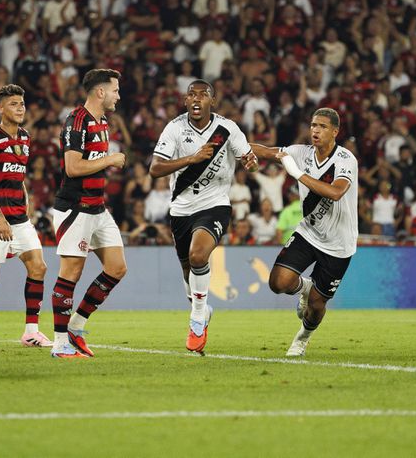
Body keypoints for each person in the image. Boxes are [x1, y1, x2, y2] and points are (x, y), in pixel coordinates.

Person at [149, 79, 258, 353]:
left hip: (215, 204)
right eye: (191, 95)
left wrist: (251, 162)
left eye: (203, 95)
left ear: (213, 101)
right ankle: (202, 307)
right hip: (181, 209)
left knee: (199, 256)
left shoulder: (227, 128)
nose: (196, 99)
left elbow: (248, 159)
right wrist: (191, 159)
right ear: (185, 101)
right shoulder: (174, 128)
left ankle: (197, 319)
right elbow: (155, 169)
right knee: (188, 270)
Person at [251, 108, 358, 357]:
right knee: (278, 282)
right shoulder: (300, 153)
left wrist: (298, 174)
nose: (315, 131)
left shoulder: (345, 159)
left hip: (338, 244)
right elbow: (266, 151)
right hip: (309, 233)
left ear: (335, 131)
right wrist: (234, 143)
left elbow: (336, 192)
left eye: (321, 126)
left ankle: (302, 337)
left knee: (317, 306)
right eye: (312, 125)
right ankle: (304, 287)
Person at [49, 69, 128, 358]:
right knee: (71, 272)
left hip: (98, 207)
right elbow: (73, 167)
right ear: (100, 92)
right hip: (74, 209)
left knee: (117, 267)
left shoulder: (103, 122)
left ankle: (76, 325)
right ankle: (59, 344)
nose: (118, 95)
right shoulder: (76, 122)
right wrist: (110, 159)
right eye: (115, 90)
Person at [0, 84, 51, 349]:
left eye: (22, 104)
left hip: (19, 217)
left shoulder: (25, 138)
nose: (20, 109)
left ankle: (31, 332)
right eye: (14, 104)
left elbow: (19, 177)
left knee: (38, 267)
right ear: (0, 108)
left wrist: (26, 202)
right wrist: (0, 218)